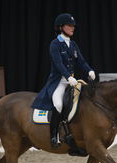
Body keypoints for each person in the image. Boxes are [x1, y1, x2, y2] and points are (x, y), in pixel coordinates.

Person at [31, 13, 95, 147]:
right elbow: (58, 64)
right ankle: (54, 136)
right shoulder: (55, 44)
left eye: (73, 26)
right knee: (59, 105)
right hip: (59, 82)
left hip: (72, 80)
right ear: (61, 27)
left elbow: (81, 61)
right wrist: (68, 77)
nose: (73, 28)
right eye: (69, 26)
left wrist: (89, 70)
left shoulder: (73, 44)